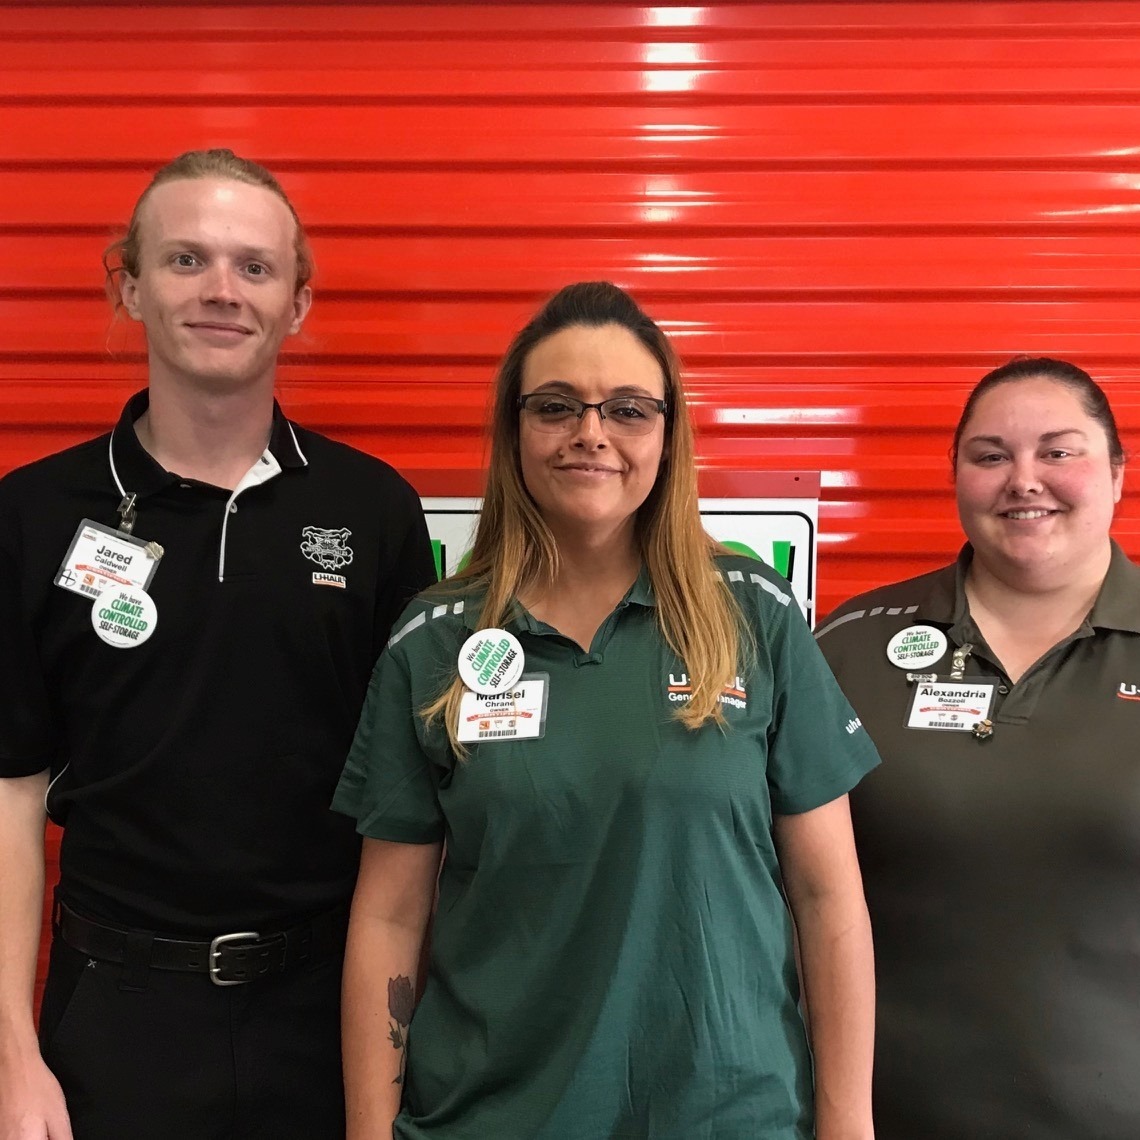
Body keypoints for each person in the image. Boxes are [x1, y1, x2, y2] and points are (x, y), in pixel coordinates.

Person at [333, 281, 879, 1140]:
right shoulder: (434, 640)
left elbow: (828, 895)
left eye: (627, 409)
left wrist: (848, 1125)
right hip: (490, 1120)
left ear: (667, 433)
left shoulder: (754, 616)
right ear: (514, 429)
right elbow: (390, 917)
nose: (591, 433)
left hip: (727, 1118)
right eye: (556, 406)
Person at [0, 148, 435, 1139]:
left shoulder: (374, 512)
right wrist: (11, 1054)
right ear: (130, 286)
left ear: (297, 303)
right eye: (186, 259)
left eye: (255, 266)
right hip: (114, 1022)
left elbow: (417, 809)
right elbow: (10, 793)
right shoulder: (32, 516)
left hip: (327, 1014)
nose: (222, 290)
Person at [816, 357, 1140, 1139]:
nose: (1024, 479)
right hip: (881, 1118)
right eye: (991, 455)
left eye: (1058, 451)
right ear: (956, 476)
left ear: (1117, 473)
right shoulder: (848, 646)